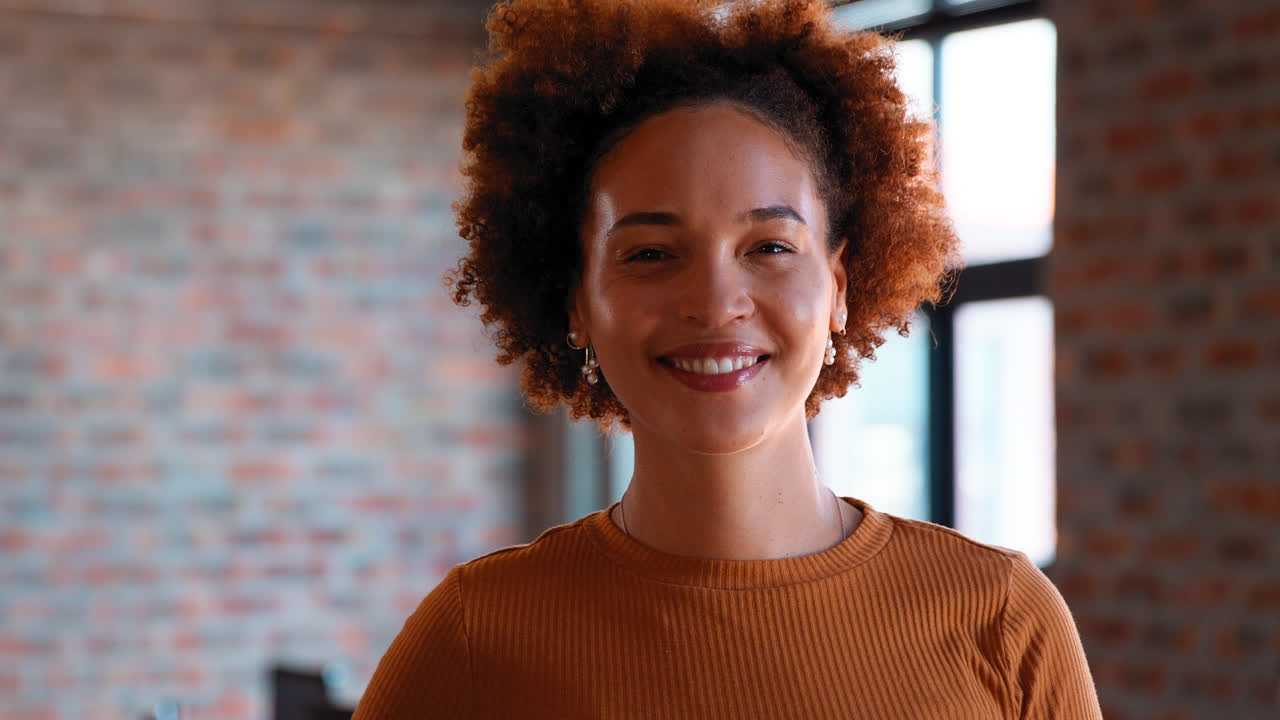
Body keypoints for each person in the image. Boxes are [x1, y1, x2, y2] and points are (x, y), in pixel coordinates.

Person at [353, 0, 1103, 717]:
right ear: (575, 301)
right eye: (650, 253)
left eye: (769, 248)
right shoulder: (476, 637)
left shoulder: (1001, 619)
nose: (715, 303)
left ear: (839, 287)